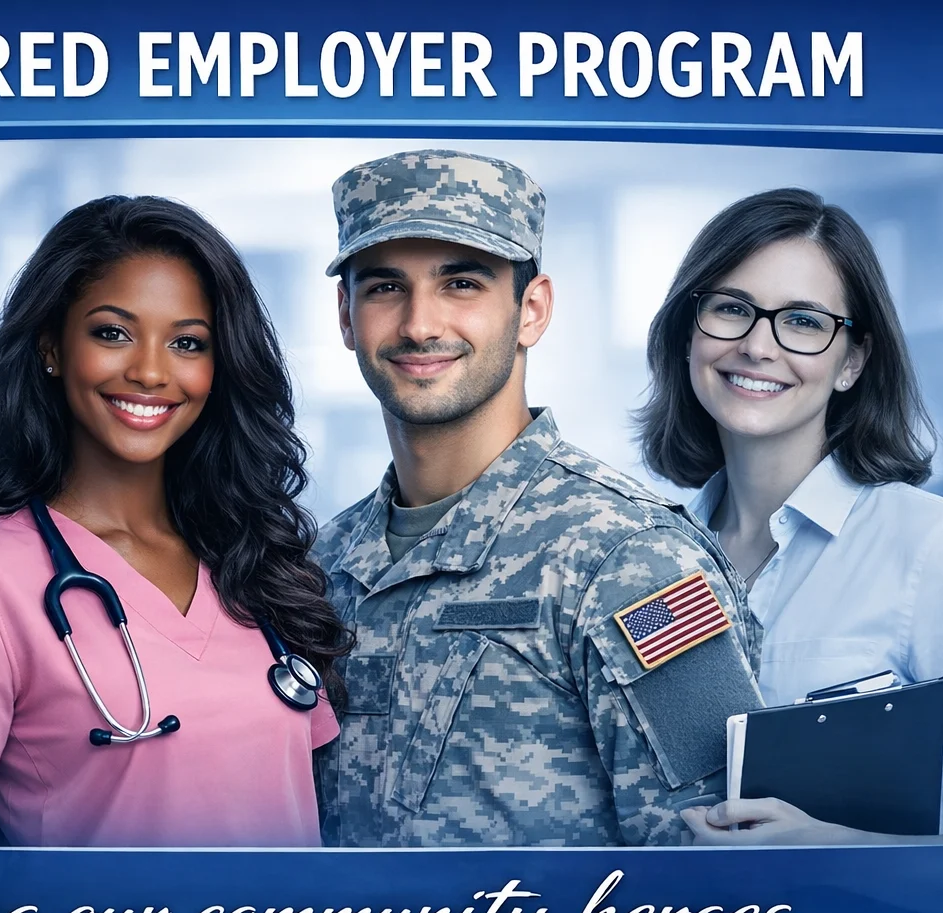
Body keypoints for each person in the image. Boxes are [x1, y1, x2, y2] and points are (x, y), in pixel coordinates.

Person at [0, 195, 351, 847]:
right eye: (112, 332)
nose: (150, 371)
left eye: (187, 342)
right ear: (51, 348)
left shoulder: (254, 564)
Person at [312, 149, 764, 847]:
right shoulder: (319, 567)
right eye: (384, 288)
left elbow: (722, 867)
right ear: (346, 316)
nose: (419, 324)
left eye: (461, 284)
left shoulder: (634, 563)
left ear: (532, 310)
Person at [633, 187, 943, 845]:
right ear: (687, 334)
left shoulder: (940, 551)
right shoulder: (644, 564)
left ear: (851, 362)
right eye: (732, 309)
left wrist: (839, 849)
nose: (759, 346)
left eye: (804, 322)